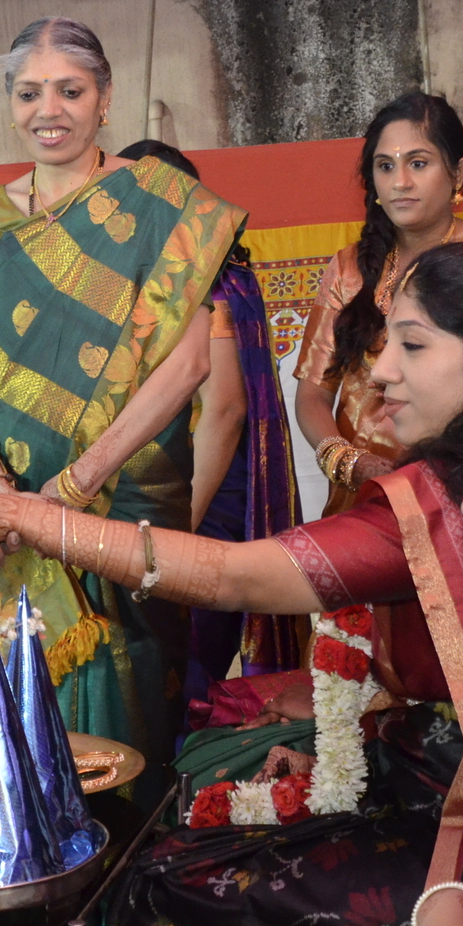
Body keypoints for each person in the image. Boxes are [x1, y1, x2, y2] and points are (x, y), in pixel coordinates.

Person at [0, 242, 463, 926]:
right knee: (189, 801)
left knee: (164, 883)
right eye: (384, 343)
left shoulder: (449, 500)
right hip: (417, 766)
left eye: (413, 345)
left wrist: (30, 517)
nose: (380, 371)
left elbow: (235, 575)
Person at [0, 19, 245, 764]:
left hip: (127, 492)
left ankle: (123, 838)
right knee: (13, 720)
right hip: (9, 506)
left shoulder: (166, 204)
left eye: (70, 91)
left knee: (128, 708)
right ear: (11, 104)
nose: (49, 110)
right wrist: (2, 490)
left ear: (105, 100)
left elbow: (189, 366)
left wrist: (77, 484)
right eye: (29, 93)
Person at [296, 92, 463, 516]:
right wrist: (349, 463)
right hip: (368, 499)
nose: (400, 182)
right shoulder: (350, 269)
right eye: (385, 166)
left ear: (458, 173)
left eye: (418, 163)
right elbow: (313, 395)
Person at [115, 138, 306, 703]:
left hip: (200, 498)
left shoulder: (212, 286)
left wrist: (177, 529)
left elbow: (223, 412)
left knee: (177, 679)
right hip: (153, 496)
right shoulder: (145, 284)